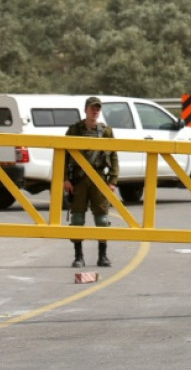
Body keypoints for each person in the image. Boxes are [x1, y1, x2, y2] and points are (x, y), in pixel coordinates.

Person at [64, 96, 119, 268]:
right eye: (92, 108)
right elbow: (63, 156)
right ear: (85, 109)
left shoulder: (106, 132)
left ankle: (103, 256)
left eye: (98, 109)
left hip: (99, 180)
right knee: (77, 219)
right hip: (79, 181)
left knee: (102, 219)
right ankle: (78, 256)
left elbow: (114, 156)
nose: (95, 111)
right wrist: (65, 179)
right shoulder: (74, 130)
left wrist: (113, 180)